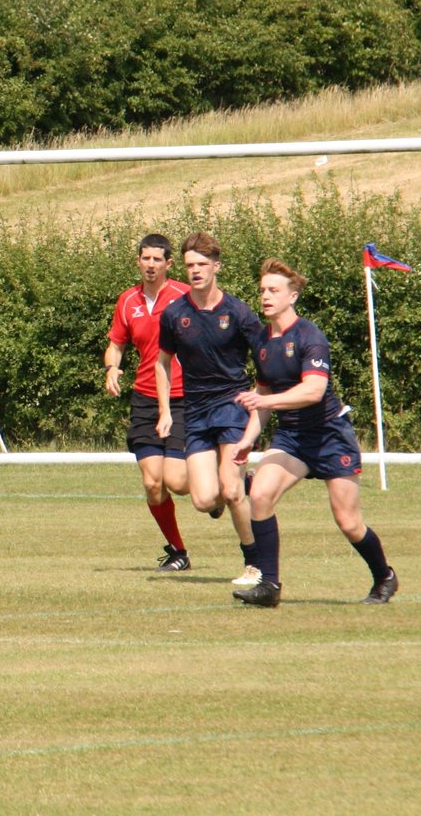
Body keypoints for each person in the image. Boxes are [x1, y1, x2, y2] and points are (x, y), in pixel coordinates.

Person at [230, 258, 398, 607]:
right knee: (259, 494)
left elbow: (313, 392)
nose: (265, 296)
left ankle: (384, 575)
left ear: (292, 296)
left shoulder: (310, 337)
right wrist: (247, 439)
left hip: (329, 435)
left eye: (274, 290)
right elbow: (262, 396)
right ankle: (269, 587)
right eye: (262, 290)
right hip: (292, 437)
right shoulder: (261, 341)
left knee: (349, 522)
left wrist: (266, 402)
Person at [155, 232, 263, 586]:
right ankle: (242, 480)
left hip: (232, 406)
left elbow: (266, 357)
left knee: (231, 492)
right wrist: (166, 410)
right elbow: (163, 362)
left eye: (202, 264)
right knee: (203, 500)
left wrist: (265, 398)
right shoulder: (174, 314)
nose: (196, 271)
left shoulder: (238, 312)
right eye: (190, 265)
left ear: (216, 267)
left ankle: (254, 563)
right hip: (196, 410)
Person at [104, 233, 195, 571]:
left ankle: (225, 482)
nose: (151, 265)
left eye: (158, 259)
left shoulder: (186, 297)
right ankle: (178, 552)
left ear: (169, 264)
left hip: (184, 397)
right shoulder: (127, 301)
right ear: (138, 261)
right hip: (145, 399)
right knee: (152, 483)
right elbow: (116, 343)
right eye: (146, 259)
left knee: (178, 483)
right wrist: (112, 367)